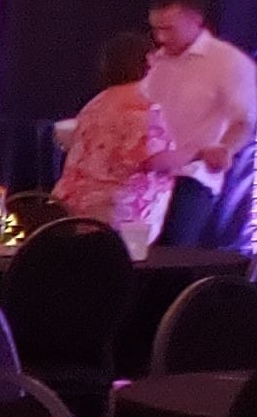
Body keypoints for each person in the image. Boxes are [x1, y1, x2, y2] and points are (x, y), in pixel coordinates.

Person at [139, 0, 257, 248]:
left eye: (168, 29)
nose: (160, 37)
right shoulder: (153, 62)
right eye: (156, 29)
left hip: (191, 176)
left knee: (172, 255)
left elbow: (243, 120)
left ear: (195, 21)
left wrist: (224, 149)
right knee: (135, 256)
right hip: (144, 178)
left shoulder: (228, 61)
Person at [56, 31, 181, 255]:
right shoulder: (144, 105)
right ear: (148, 61)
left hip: (76, 209)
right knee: (124, 273)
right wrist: (197, 153)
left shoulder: (96, 103)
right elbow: (152, 159)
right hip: (122, 215)